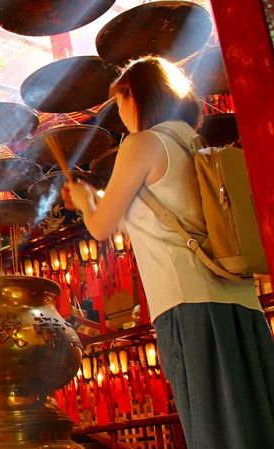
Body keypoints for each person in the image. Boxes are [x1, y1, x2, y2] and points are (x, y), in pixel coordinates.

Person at [64, 56, 274, 449]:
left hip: (188, 304)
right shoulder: (193, 142)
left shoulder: (141, 143)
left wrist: (85, 201)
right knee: (257, 421)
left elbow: (101, 227)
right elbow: (153, 216)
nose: (119, 113)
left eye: (119, 101)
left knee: (215, 429)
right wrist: (94, 199)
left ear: (136, 96)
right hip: (239, 301)